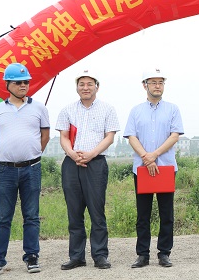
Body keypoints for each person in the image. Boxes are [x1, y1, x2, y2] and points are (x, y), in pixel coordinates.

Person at [56, 69, 120, 270]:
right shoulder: (67, 110)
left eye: (89, 84)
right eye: (81, 84)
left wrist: (91, 154)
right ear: (77, 88)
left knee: (96, 211)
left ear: (97, 87)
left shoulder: (107, 109)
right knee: (74, 212)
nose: (85, 88)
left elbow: (109, 137)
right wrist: (72, 154)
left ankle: (100, 255)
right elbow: (64, 136)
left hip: (96, 163)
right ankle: (76, 256)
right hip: (71, 163)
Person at [124, 69, 184, 268]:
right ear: (145, 85)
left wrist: (154, 155)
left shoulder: (173, 109)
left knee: (166, 214)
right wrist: (146, 158)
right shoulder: (136, 111)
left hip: (165, 167)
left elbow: (175, 136)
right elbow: (131, 136)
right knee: (143, 214)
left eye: (160, 82)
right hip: (142, 169)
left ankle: (164, 253)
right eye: (153, 82)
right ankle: (142, 254)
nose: (157, 86)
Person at [0, 63, 50, 275]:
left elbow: (44, 136)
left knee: (31, 215)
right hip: (5, 171)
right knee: (3, 217)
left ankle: (32, 256)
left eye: (26, 82)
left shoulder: (39, 108)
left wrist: (32, 153)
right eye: (18, 82)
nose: (23, 85)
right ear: (7, 85)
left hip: (31, 169)